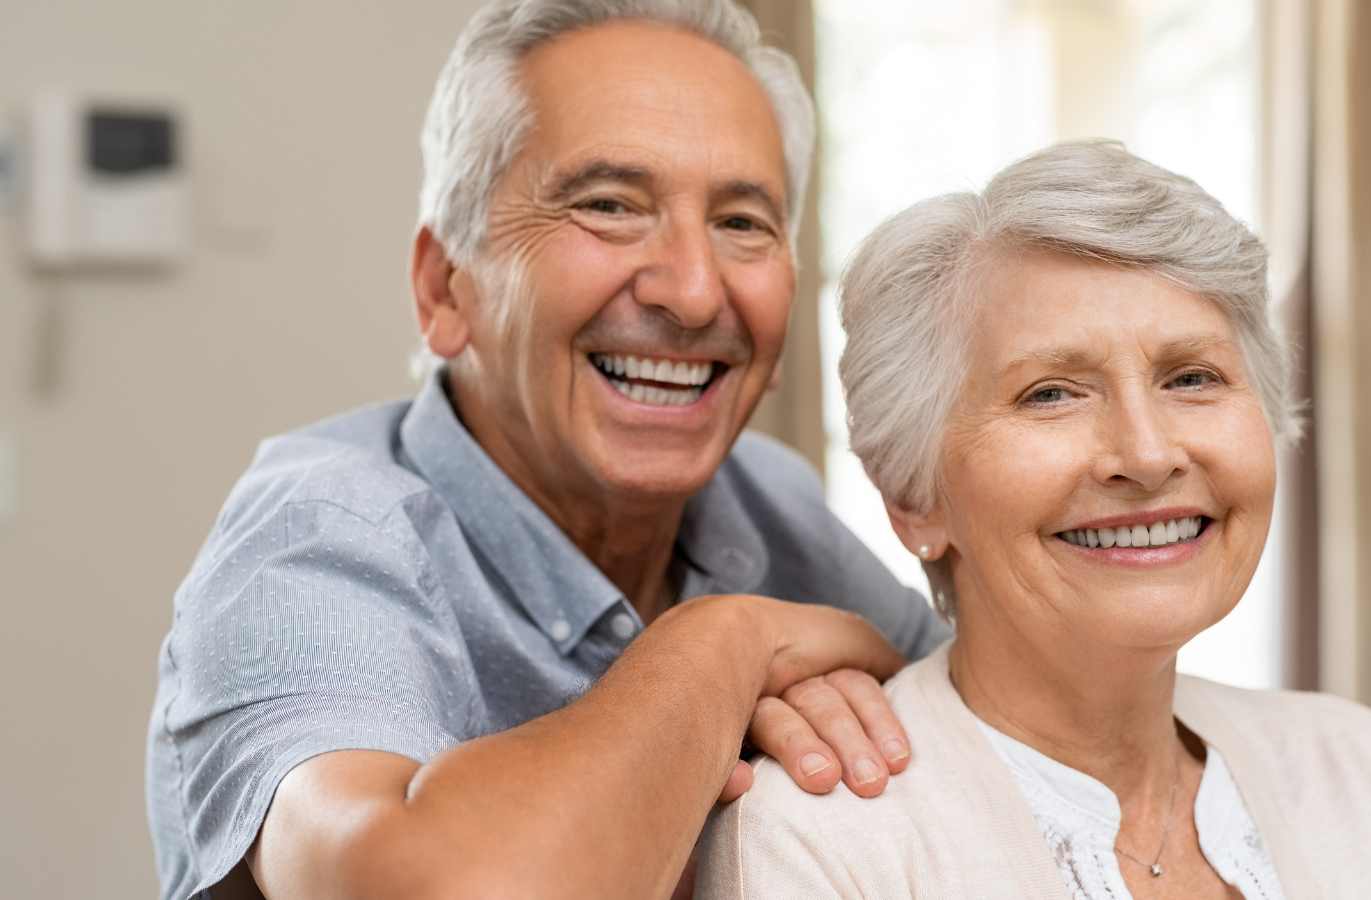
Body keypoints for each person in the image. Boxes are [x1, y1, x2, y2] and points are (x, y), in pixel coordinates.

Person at [144, 2, 948, 898]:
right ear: (446, 287)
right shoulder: (319, 537)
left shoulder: (766, 497)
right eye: (608, 206)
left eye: (743, 222)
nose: (691, 292)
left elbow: (1007, 730)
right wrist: (729, 642)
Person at [697, 140, 1371, 899]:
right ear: (914, 498)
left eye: (1191, 377)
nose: (1146, 455)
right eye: (1051, 393)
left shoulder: (1369, 772)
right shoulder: (817, 838)